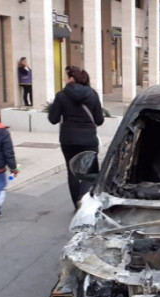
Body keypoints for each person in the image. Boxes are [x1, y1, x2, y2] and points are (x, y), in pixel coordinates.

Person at [48, 65, 104, 207]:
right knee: (90, 172)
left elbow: (53, 119)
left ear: (71, 78)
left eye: (65, 77)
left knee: (72, 172)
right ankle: (83, 197)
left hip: (68, 139)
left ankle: (76, 205)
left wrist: (54, 107)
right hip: (88, 139)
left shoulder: (61, 96)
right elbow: (99, 120)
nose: (64, 80)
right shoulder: (92, 94)